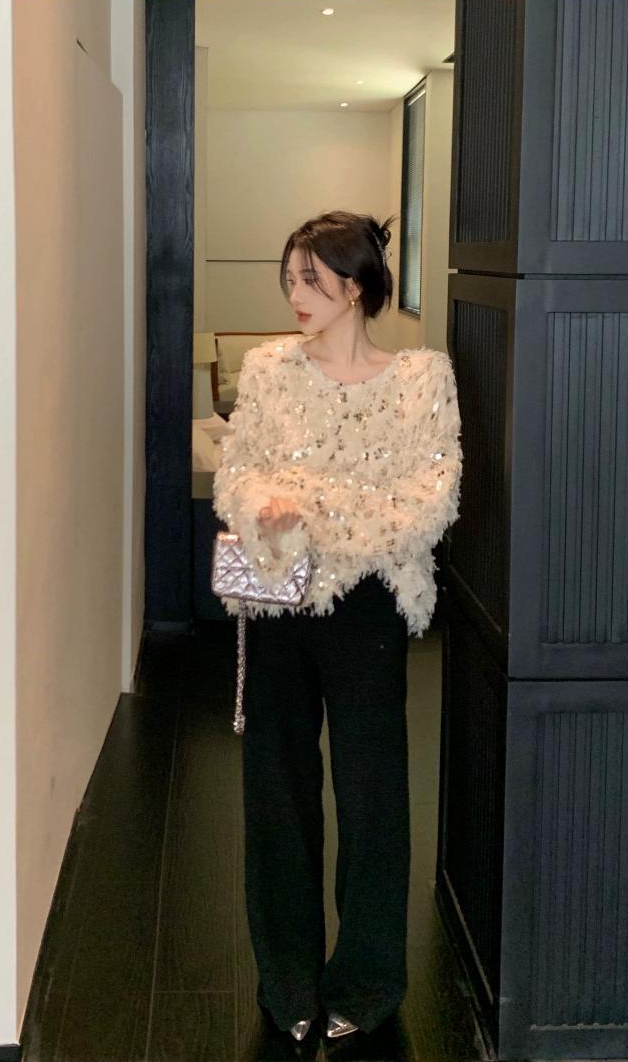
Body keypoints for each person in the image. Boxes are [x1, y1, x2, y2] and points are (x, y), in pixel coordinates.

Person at [212, 206, 462, 1046]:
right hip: (278, 598)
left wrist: (308, 512)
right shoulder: (268, 370)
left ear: (356, 287)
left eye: (312, 281)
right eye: (290, 280)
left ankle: (367, 979)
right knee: (276, 792)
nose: (296, 296)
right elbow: (240, 475)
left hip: (370, 607)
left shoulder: (421, 379)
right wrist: (277, 506)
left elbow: (427, 499)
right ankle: (287, 981)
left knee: (372, 794)